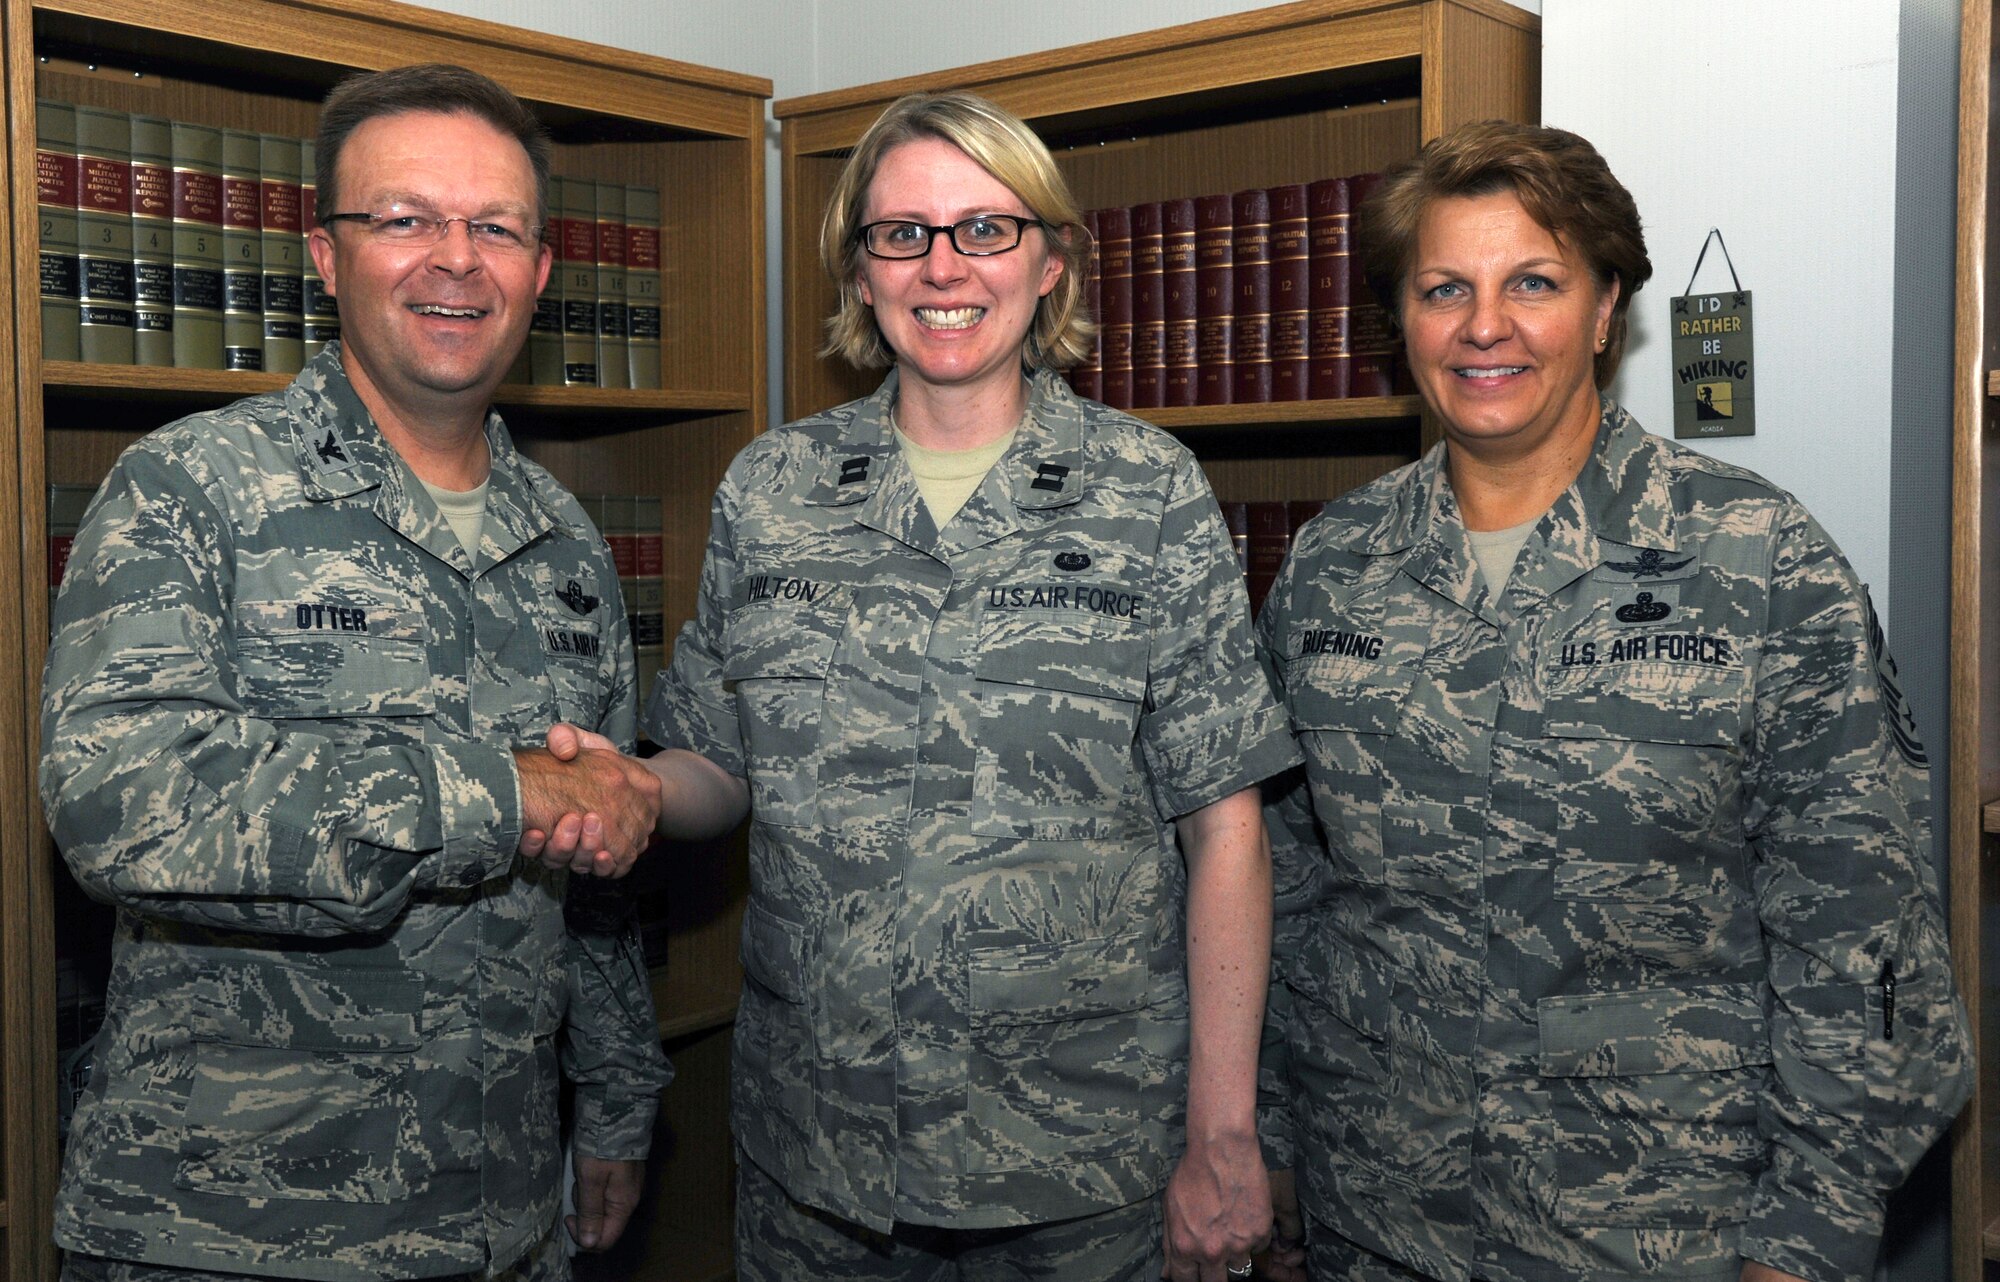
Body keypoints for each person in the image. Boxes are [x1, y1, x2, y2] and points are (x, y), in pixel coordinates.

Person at [536, 90, 1300, 1281]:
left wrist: (1222, 1135)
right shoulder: (771, 488)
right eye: (902, 234)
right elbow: (715, 763)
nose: (943, 267)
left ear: (1048, 261)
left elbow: (1226, 828)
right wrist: (631, 788)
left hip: (1078, 1154)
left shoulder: (1146, 490)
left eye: (985, 228)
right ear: (860, 270)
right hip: (816, 1154)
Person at [1252, 119, 1973, 1282]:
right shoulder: (1332, 566)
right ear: (1402, 321)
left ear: (1604, 310)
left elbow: (1861, 935)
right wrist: (1269, 1147)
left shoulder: (1758, 558)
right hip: (1373, 1217)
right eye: (1443, 288)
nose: (1483, 325)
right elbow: (1282, 889)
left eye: (1532, 282)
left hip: (1659, 1232)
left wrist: (1807, 1239)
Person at [42, 64, 672, 1282]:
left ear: (542, 270)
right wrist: (500, 791)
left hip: (502, 1214)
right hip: (232, 1229)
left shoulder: (566, 541)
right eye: (404, 218)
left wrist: (614, 1093)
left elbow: (590, 861)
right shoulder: (190, 487)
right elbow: (118, 800)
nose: (456, 259)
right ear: (326, 256)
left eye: (496, 227)